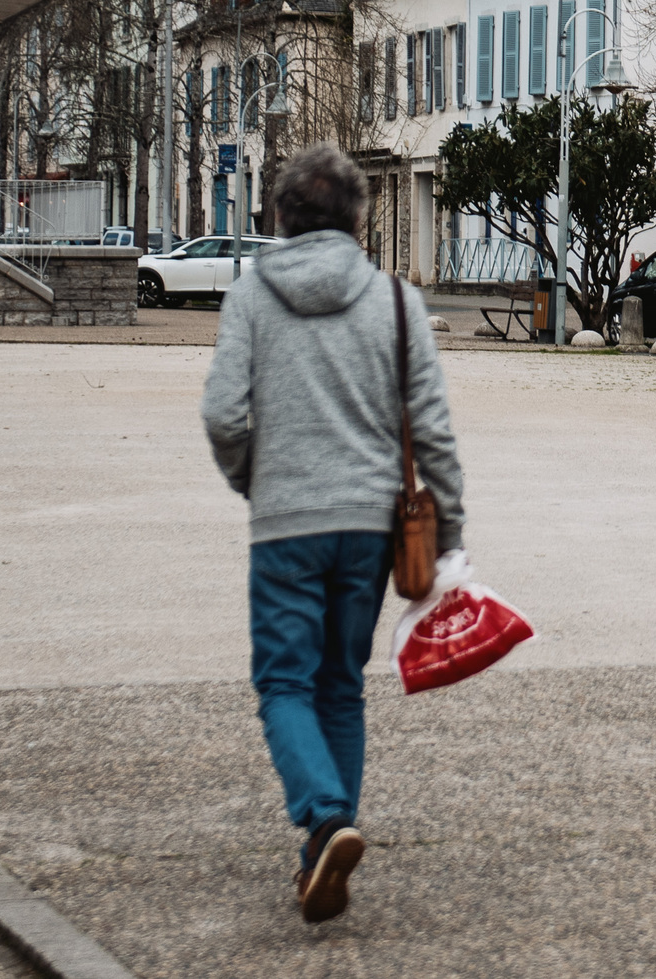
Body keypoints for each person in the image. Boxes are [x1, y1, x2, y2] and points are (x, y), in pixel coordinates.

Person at [200, 141, 463, 924]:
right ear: (358, 219)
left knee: (285, 682)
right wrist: (448, 529)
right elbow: (433, 430)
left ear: (281, 216)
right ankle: (326, 845)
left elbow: (223, 415)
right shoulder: (396, 301)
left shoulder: (251, 295)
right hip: (371, 527)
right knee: (341, 683)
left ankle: (323, 819)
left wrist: (253, 478)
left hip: (285, 524)